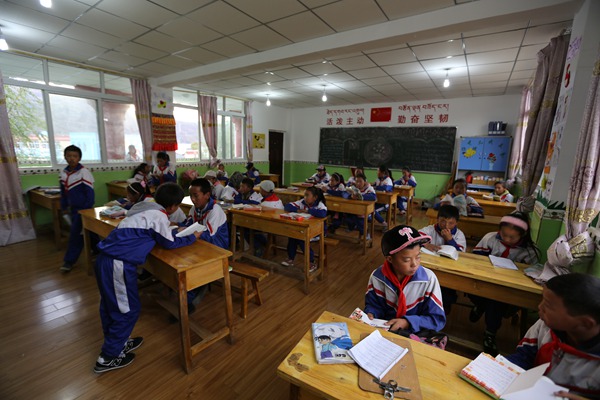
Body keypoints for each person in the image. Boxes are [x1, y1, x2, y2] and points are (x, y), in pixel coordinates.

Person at [93, 182, 201, 373]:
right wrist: (193, 237)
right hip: (117, 264)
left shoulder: (143, 208)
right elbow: (169, 243)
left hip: (107, 261)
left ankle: (118, 343)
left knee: (113, 306)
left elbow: (156, 234)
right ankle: (108, 357)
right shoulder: (157, 215)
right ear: (174, 207)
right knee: (127, 310)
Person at [505, 273, 600, 399]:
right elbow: (524, 356)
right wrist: (504, 370)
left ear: (585, 323)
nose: (540, 307)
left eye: (548, 305)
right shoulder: (546, 326)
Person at [470, 211, 540, 354]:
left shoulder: (530, 251)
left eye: (512, 237)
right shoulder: (490, 238)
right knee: (472, 287)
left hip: (508, 290)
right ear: (499, 231)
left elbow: (532, 273)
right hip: (484, 281)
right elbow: (475, 258)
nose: (507, 239)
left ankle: (490, 333)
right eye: (504, 235)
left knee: (496, 300)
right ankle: (480, 305)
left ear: (523, 235)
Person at [364, 225, 446, 336]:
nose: (414, 264)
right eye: (407, 259)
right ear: (390, 259)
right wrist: (370, 313)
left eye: (418, 257)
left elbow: (437, 320)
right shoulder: (377, 277)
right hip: (386, 332)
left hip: (416, 334)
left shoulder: (428, 280)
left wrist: (408, 322)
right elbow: (374, 305)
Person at [179, 178, 230, 309]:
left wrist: (188, 232)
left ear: (207, 195)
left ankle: (189, 300)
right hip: (201, 245)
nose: (192, 199)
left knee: (193, 267)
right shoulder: (194, 209)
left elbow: (208, 235)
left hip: (217, 248)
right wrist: (179, 227)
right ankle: (185, 291)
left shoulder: (215, 210)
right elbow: (188, 225)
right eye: (190, 195)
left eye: (195, 196)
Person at [419, 205, 466, 313]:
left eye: (451, 223)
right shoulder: (430, 230)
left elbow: (461, 254)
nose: (446, 226)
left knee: (447, 290)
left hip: (450, 270)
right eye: (443, 221)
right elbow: (414, 236)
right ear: (437, 219)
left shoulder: (459, 235)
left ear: (456, 223)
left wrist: (450, 239)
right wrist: (425, 244)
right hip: (431, 268)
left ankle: (446, 304)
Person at [60, 145, 98, 273]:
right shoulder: (63, 173)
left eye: (75, 156)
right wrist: (64, 206)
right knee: (90, 232)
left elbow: (90, 193)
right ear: (65, 157)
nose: (71, 158)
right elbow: (63, 192)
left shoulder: (83, 172)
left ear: (79, 158)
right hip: (73, 209)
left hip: (84, 209)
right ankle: (99, 250)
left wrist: (87, 209)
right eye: (69, 156)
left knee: (75, 235)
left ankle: (69, 261)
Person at [281, 186, 327, 272]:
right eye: (304, 195)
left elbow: (323, 214)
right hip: (304, 229)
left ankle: (311, 262)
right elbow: (287, 206)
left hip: (318, 231)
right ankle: (291, 258)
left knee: (302, 238)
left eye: (307, 195)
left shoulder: (320, 205)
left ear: (315, 197)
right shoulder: (302, 202)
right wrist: (298, 210)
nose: (304, 197)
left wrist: (308, 211)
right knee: (292, 236)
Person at [346, 172, 377, 240]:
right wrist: (351, 196)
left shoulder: (369, 188)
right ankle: (352, 227)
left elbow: (373, 197)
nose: (358, 183)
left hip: (368, 211)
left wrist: (360, 196)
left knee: (359, 218)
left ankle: (365, 233)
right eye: (357, 181)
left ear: (365, 181)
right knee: (347, 215)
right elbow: (347, 195)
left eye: (360, 181)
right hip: (355, 210)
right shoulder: (355, 188)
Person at [373, 165, 393, 232]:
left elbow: (386, 188)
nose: (377, 173)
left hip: (385, 203)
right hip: (377, 201)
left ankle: (384, 224)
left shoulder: (388, 180)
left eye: (378, 171)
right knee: (369, 208)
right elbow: (373, 186)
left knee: (372, 210)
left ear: (383, 172)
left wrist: (376, 187)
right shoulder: (378, 179)